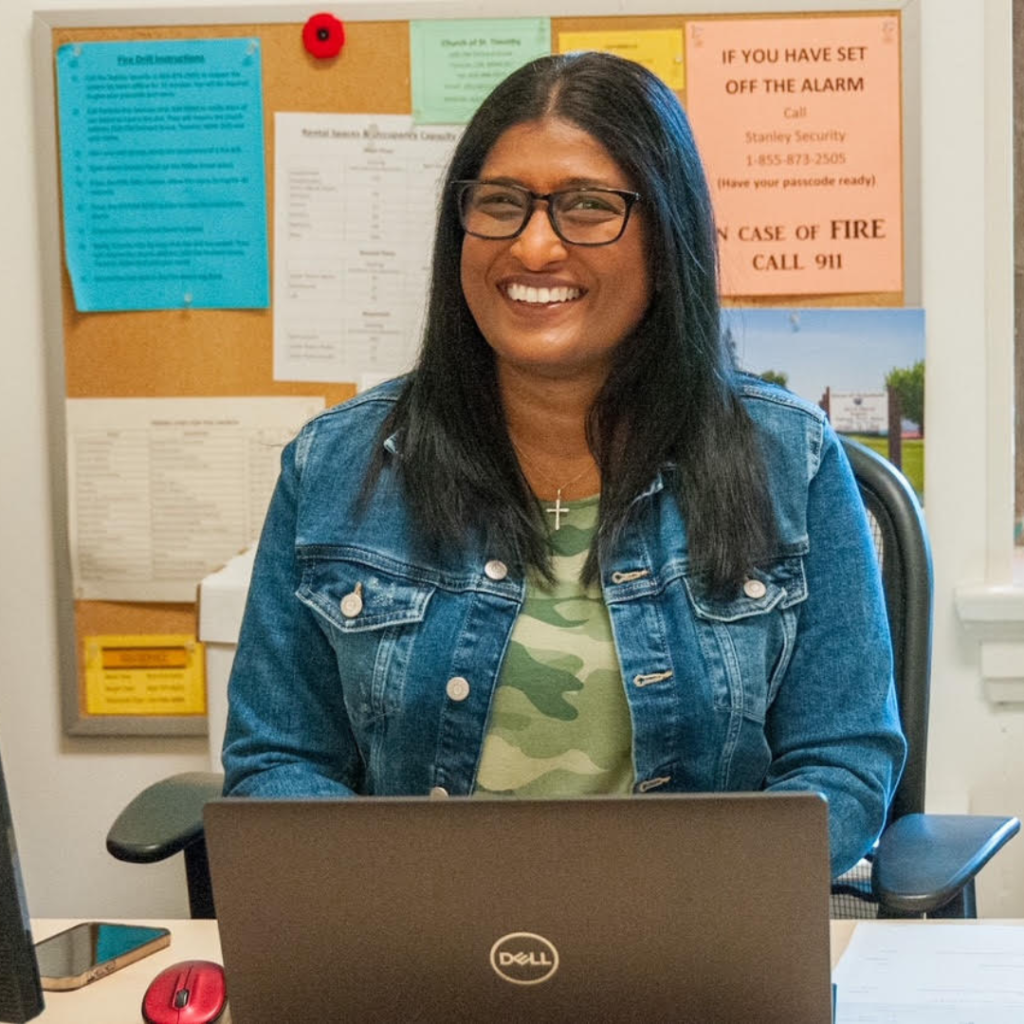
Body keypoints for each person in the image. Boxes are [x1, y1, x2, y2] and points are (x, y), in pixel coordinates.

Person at [222, 51, 906, 879]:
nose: (534, 246)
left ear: (668, 234)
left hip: (693, 958)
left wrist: (667, 907)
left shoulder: (787, 460)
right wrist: (428, 902)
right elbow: (276, 765)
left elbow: (842, 766)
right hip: (422, 958)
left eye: (587, 207)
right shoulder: (336, 466)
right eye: (501, 204)